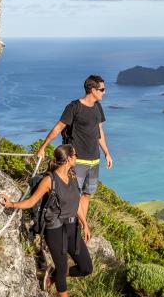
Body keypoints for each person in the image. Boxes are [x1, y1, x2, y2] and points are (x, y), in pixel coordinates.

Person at [0, 144, 92, 297]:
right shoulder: (49, 180)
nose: (77, 157)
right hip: (55, 229)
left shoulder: (72, 176)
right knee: (63, 265)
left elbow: (76, 203)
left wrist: (85, 223)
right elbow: (31, 201)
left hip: (73, 227)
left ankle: (54, 275)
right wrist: (11, 204)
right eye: (75, 155)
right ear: (69, 158)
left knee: (86, 268)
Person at [37, 75, 113, 225]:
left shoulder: (97, 106)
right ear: (92, 90)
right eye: (102, 89)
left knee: (87, 194)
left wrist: (107, 153)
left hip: (94, 160)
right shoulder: (74, 107)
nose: (104, 92)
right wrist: (43, 147)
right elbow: (58, 128)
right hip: (77, 161)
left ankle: (80, 226)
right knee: (73, 196)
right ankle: (74, 226)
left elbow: (99, 132)